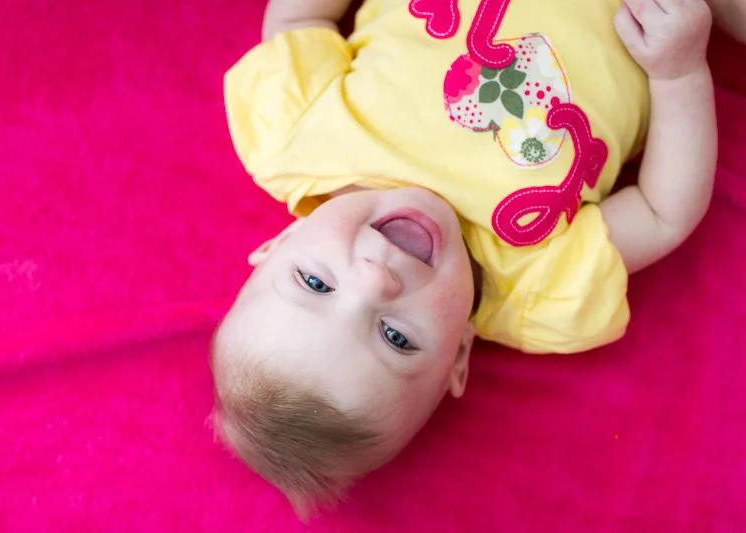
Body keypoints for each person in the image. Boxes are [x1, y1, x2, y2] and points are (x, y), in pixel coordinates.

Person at [211, 0, 729, 516]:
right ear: (458, 353)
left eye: (315, 283)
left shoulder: (297, 137)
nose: (374, 281)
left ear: (275, 245)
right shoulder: (537, 290)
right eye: (396, 337)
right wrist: (679, 70)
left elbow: (300, 19)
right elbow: (663, 211)